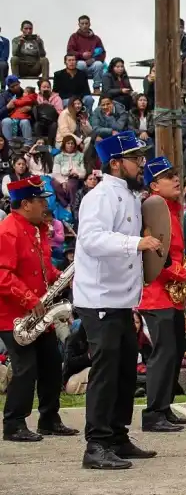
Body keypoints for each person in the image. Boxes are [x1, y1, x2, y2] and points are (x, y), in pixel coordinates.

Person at [73, 131, 162, 469]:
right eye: (134, 158)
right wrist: (135, 244)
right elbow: (92, 239)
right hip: (99, 299)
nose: (141, 163)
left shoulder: (128, 195)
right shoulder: (100, 196)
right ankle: (96, 444)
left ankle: (117, 436)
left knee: (126, 369)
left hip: (122, 300)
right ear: (115, 162)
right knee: (106, 371)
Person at [0, 176, 80, 442]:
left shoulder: (37, 228)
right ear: (25, 204)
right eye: (39, 201)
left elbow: (44, 269)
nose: (46, 206)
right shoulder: (8, 231)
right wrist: (28, 298)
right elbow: (2, 275)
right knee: (25, 368)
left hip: (38, 310)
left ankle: (49, 418)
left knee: (51, 364)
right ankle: (14, 423)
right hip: (14, 315)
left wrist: (62, 276)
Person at [136, 157, 186, 433]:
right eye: (169, 176)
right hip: (157, 293)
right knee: (163, 352)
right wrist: (177, 272)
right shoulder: (153, 209)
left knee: (174, 351)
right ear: (155, 184)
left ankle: (164, 406)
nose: (176, 179)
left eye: (175, 174)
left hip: (172, 294)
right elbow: (155, 252)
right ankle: (153, 412)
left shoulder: (170, 209)